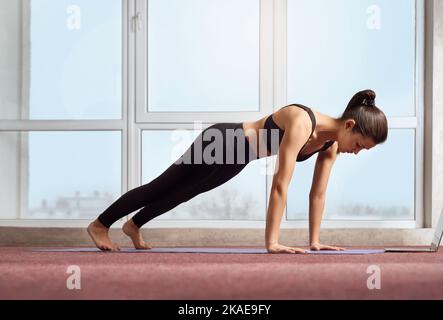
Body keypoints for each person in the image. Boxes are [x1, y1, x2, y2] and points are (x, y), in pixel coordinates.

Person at [87, 89, 388, 254]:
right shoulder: (302, 121)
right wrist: (271, 243)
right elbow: (280, 184)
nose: (357, 151)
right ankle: (101, 224)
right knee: (161, 187)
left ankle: (134, 225)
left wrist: (314, 240)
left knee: (183, 194)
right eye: (360, 144)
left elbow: (317, 194)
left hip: (240, 157)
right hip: (224, 141)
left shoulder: (330, 146)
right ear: (350, 126)